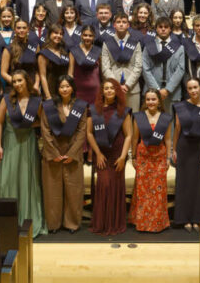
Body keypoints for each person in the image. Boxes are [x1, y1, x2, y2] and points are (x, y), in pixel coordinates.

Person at [0, 70, 47, 236]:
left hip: (28, 143)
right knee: (7, 180)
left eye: (20, 81)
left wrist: (31, 126)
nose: (17, 84)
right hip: (10, 142)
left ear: (27, 81)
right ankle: (7, 221)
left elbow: (43, 122)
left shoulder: (36, 101)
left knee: (28, 180)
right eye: (14, 81)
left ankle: (28, 220)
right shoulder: (7, 100)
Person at [40, 75, 88, 233]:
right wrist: (53, 152)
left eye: (67, 86)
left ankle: (72, 223)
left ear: (72, 88)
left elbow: (82, 131)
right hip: (53, 152)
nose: (65, 89)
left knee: (73, 190)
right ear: (57, 89)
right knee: (52, 190)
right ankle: (53, 223)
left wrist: (72, 153)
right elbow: (45, 130)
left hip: (73, 152)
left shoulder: (80, 106)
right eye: (61, 86)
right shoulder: (49, 107)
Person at [87, 79, 132, 235]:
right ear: (102, 92)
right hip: (102, 154)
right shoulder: (94, 110)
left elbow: (128, 135)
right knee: (104, 185)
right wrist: (98, 153)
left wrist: (123, 157)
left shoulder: (123, 111)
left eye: (112, 88)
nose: (109, 91)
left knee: (116, 187)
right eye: (106, 88)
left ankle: (115, 223)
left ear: (117, 91)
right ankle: (102, 223)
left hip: (117, 155)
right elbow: (89, 133)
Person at [172, 78, 200, 231]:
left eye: (195, 87)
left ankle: (197, 219)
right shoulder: (180, 107)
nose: (193, 91)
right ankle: (184, 219)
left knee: (199, 184)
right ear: (187, 90)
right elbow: (177, 129)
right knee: (183, 183)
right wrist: (174, 149)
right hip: (184, 148)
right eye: (190, 88)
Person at [129, 89, 172, 232]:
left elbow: (167, 139)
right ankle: (142, 222)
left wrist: (168, 158)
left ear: (159, 101)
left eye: (153, 99)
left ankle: (158, 223)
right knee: (143, 190)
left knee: (158, 190)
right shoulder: (139, 117)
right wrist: (133, 157)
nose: (150, 102)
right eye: (148, 99)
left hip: (159, 157)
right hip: (143, 157)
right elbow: (135, 138)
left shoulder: (165, 118)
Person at [142, 16, 186, 114]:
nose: (163, 29)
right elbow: (145, 69)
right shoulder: (149, 47)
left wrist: (168, 89)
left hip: (172, 92)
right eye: (160, 27)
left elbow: (181, 69)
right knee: (151, 120)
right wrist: (156, 90)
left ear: (170, 29)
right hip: (151, 92)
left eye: (166, 27)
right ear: (156, 29)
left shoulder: (179, 48)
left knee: (170, 121)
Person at [101, 12, 143, 111]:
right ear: (114, 25)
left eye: (124, 22)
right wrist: (116, 85)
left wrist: (127, 85)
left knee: (133, 117)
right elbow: (105, 68)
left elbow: (138, 67)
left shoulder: (135, 43)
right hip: (113, 89)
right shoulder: (107, 43)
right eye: (118, 22)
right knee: (114, 118)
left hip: (132, 89)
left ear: (128, 25)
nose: (121, 24)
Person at [1, 19, 40, 91]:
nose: (21, 30)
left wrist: (37, 84)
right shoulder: (8, 48)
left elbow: (38, 70)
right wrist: (17, 84)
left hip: (32, 87)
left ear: (28, 29)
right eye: (18, 28)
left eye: (24, 28)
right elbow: (3, 73)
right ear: (14, 30)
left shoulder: (35, 46)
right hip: (15, 87)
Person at [68, 24, 101, 105]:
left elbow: (101, 73)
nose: (87, 38)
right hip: (78, 90)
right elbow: (70, 73)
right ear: (81, 36)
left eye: (90, 36)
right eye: (85, 35)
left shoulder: (98, 51)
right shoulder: (74, 51)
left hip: (95, 90)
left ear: (94, 37)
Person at [38, 24, 70, 100]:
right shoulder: (43, 53)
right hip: (50, 90)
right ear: (49, 34)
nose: (58, 36)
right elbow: (43, 76)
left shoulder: (64, 51)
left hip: (64, 90)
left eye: (61, 34)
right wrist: (48, 96)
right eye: (56, 33)